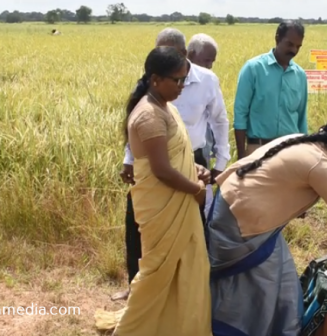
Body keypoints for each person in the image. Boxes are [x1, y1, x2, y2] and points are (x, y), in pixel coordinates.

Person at [206, 117, 327, 336]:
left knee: (285, 281)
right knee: (263, 284)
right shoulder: (318, 165)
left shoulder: (302, 141)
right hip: (242, 221)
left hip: (237, 206)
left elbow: (275, 177)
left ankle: (285, 330)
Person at [94, 46, 212, 336]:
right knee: (156, 273)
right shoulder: (148, 116)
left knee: (185, 270)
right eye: (177, 80)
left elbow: (174, 157)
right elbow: (160, 169)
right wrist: (196, 188)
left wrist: (194, 169)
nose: (182, 86)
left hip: (177, 200)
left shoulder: (165, 106)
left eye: (185, 80)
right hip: (164, 206)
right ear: (156, 79)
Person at [113, 28, 230, 301]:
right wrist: (129, 159)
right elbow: (141, 132)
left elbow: (220, 121)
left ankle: (184, 292)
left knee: (192, 232)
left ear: (182, 54)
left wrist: (218, 163)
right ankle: (141, 289)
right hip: (159, 171)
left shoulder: (205, 81)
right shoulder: (152, 90)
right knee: (140, 230)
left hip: (193, 160)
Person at [234, 20, 308, 160]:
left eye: (298, 46)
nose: (294, 50)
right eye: (290, 44)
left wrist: (303, 152)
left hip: (290, 151)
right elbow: (240, 113)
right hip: (258, 150)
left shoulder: (300, 75)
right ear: (277, 38)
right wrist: (241, 154)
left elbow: (301, 118)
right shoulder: (253, 69)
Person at [187, 32, 219, 219]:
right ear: (190, 54)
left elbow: (219, 119)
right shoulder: (171, 82)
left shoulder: (208, 79)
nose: (210, 66)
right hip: (180, 155)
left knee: (202, 207)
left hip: (202, 153)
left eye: (212, 61)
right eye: (207, 60)